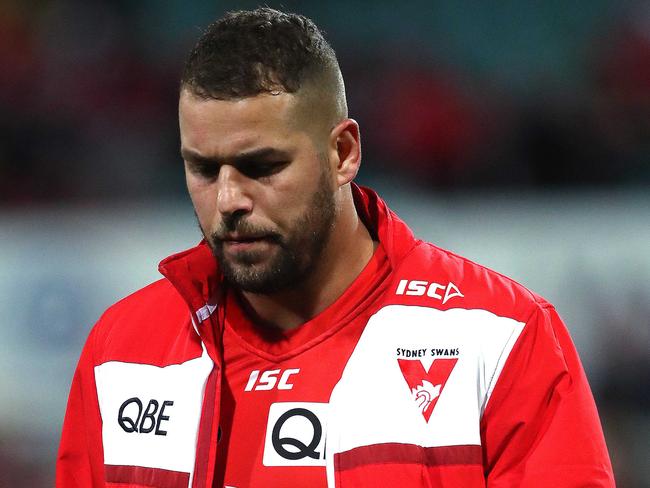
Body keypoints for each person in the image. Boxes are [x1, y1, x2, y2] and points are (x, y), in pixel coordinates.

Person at [56, 8, 615, 488]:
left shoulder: (501, 342)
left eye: (261, 167)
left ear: (343, 152)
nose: (227, 199)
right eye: (202, 169)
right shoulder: (123, 353)